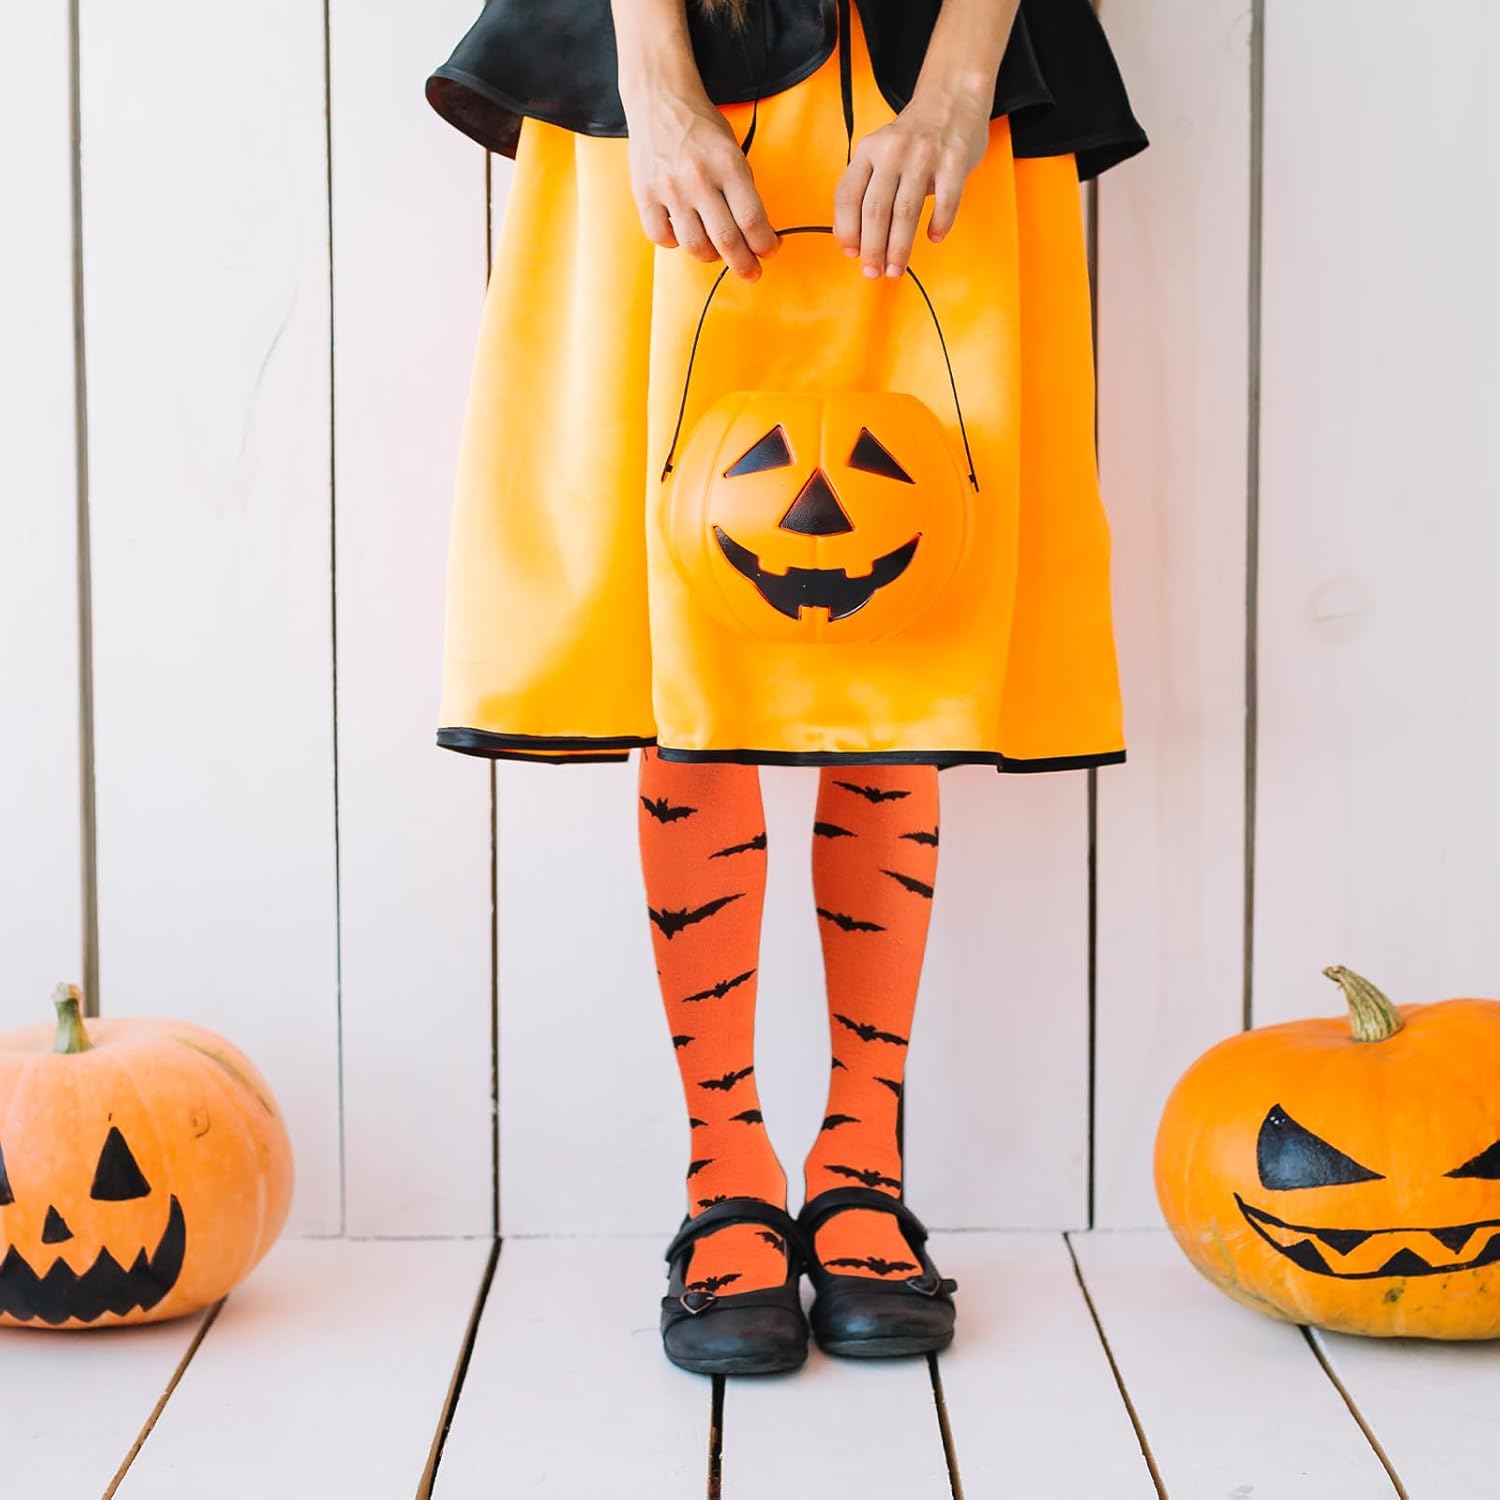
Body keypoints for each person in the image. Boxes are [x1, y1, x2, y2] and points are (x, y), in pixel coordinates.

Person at [424, 0, 1148, 1376]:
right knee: (685, 612)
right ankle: (728, 1178)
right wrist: (655, 80)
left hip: (937, 53)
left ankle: (861, 1165)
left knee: (908, 589)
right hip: (670, 50)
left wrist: (958, 84)